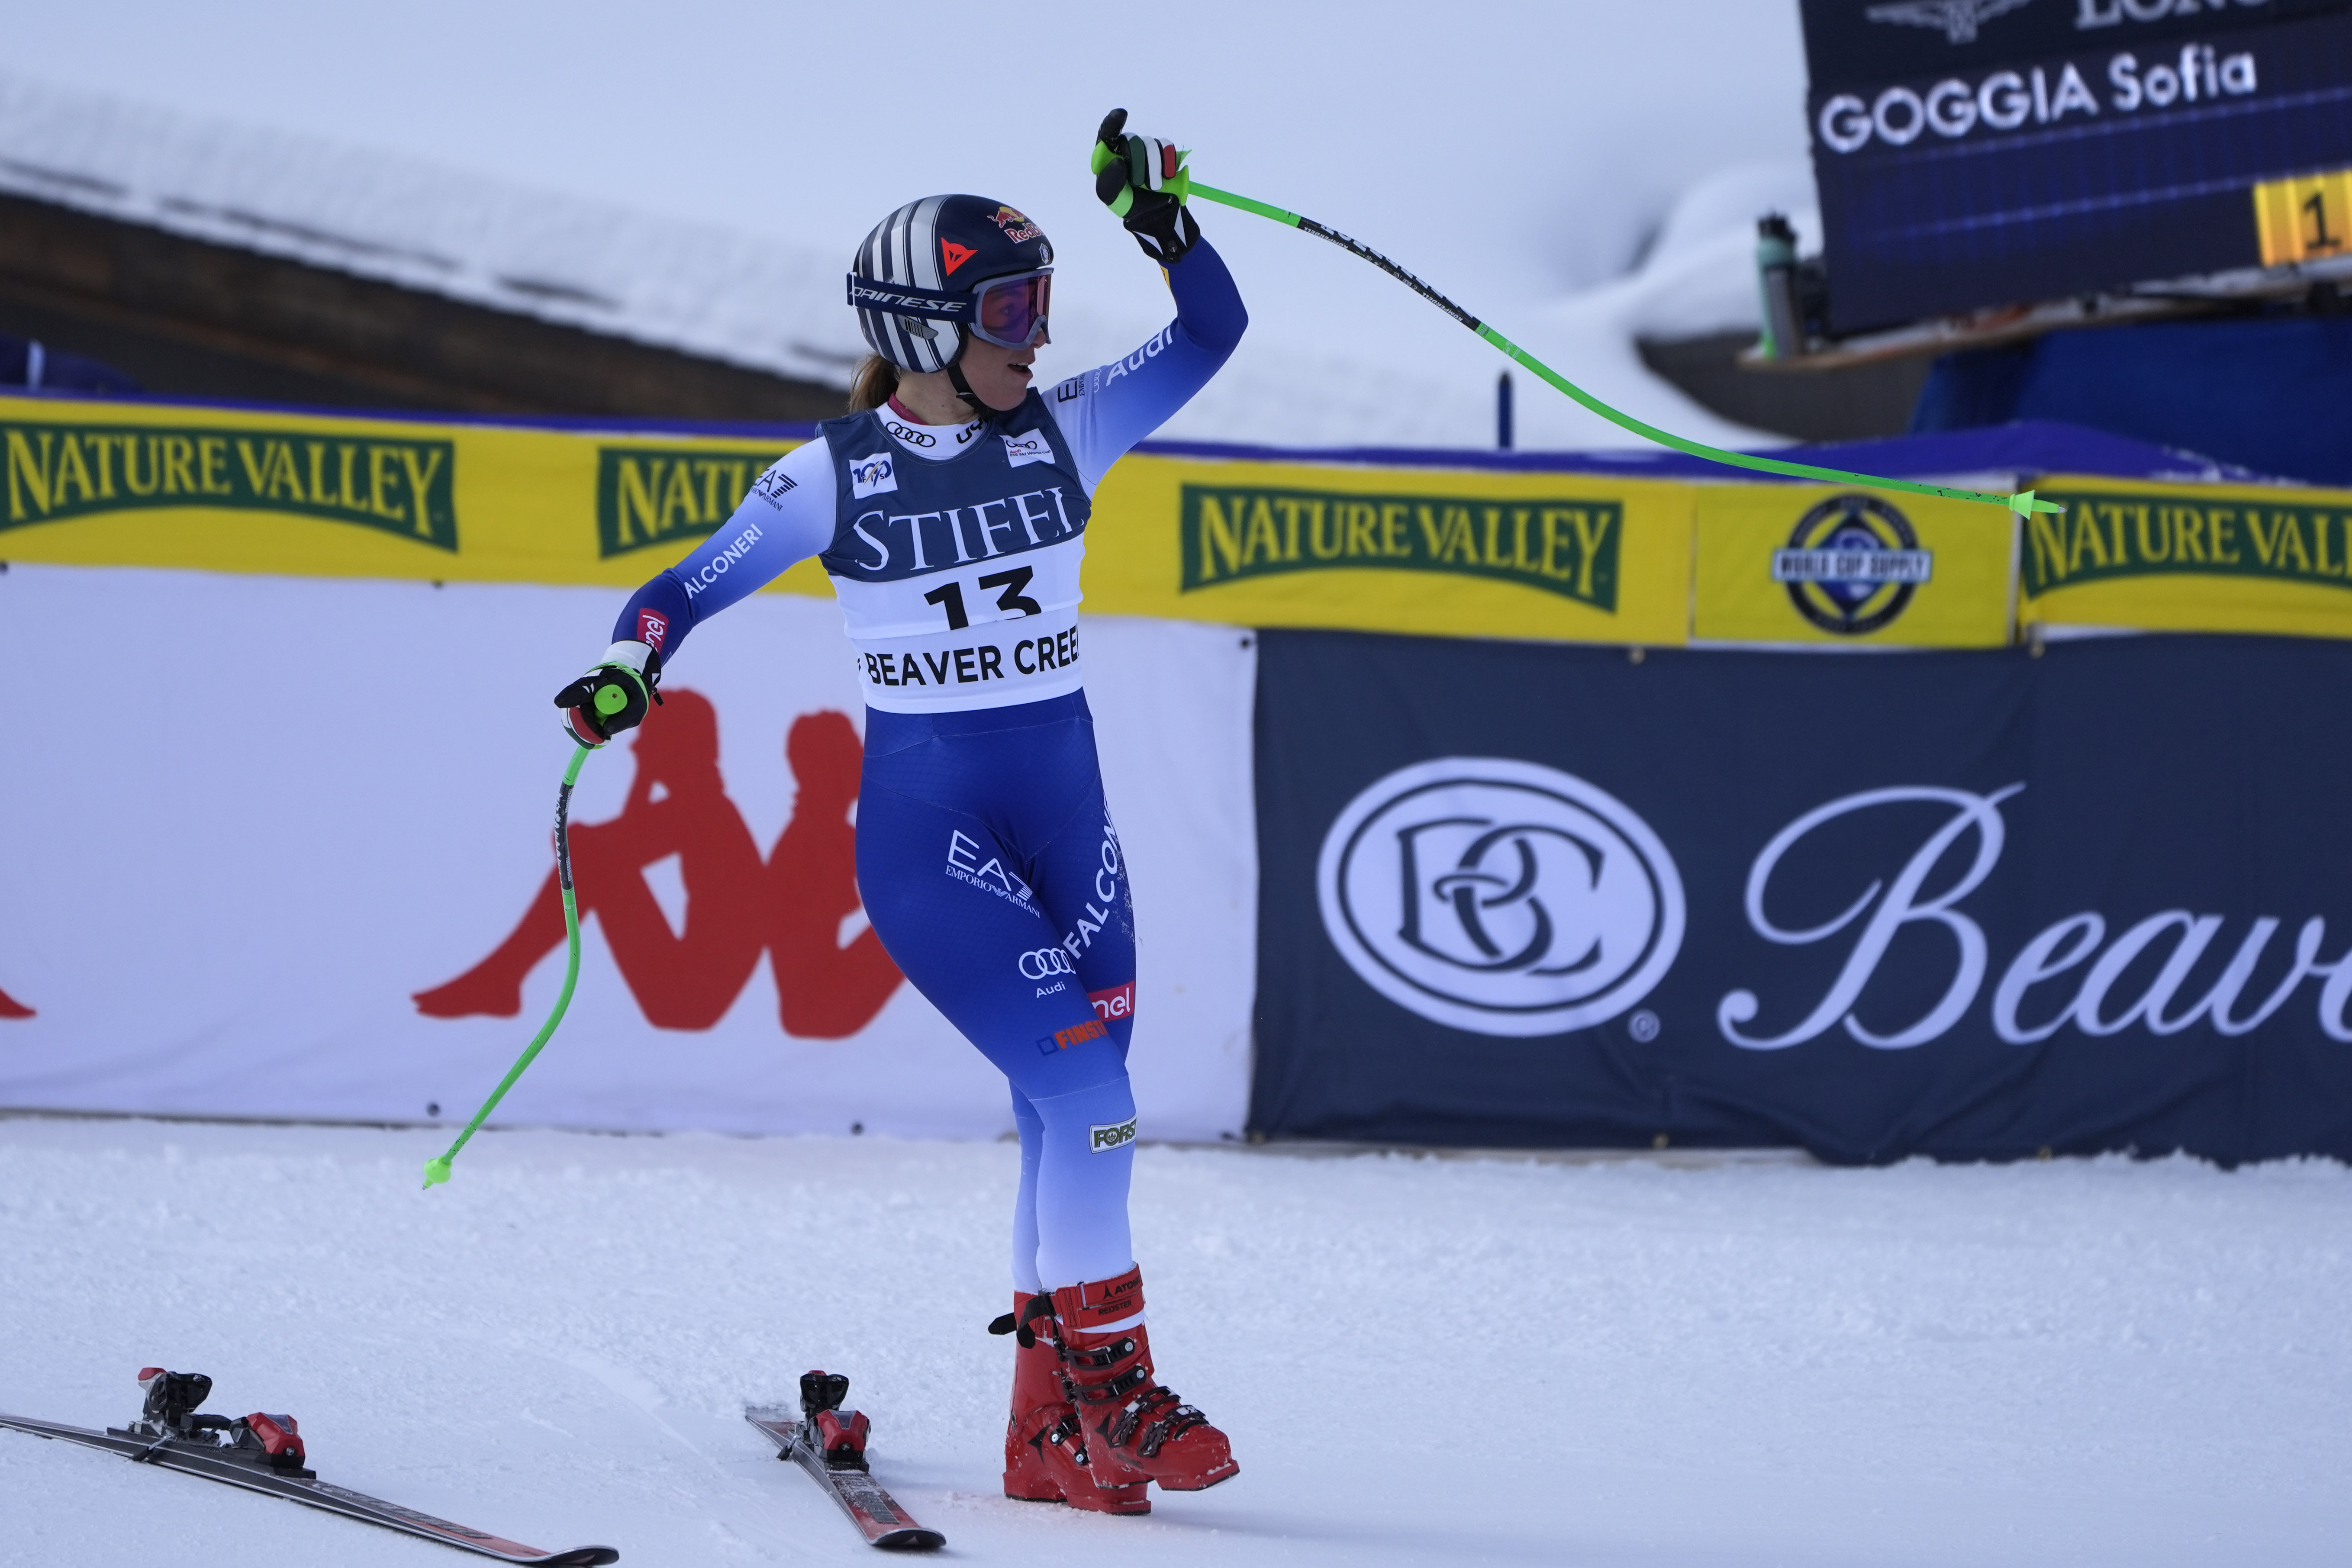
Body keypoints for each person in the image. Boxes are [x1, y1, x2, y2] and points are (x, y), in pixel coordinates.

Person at [548, 111, 1246, 1515]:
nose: (1036, 339)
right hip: (936, 839)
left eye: (1042, 306)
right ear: (924, 330)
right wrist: (626, 672)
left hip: (1066, 813)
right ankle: (1118, 1393)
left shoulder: (1070, 425)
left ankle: (1045, 1435)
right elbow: (677, 591)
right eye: (1008, 311)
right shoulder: (835, 474)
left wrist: (1162, 226)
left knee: (1066, 1114)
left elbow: (1209, 334)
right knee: (1091, 1097)